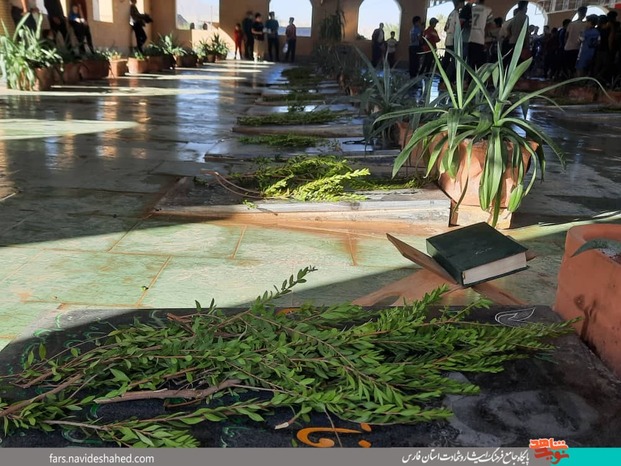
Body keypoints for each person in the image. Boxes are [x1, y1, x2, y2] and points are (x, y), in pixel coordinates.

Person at [468, 0, 493, 69]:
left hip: (471, 38)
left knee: (471, 63)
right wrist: (486, 38)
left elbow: (470, 23)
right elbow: (488, 26)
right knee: (479, 64)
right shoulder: (488, 10)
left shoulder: (472, 9)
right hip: (480, 40)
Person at [564, 6, 588, 77]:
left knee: (569, 65)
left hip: (568, 47)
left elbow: (566, 36)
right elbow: (583, 37)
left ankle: (569, 77)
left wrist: (566, 43)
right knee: (575, 66)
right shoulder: (584, 25)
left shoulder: (571, 24)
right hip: (577, 48)